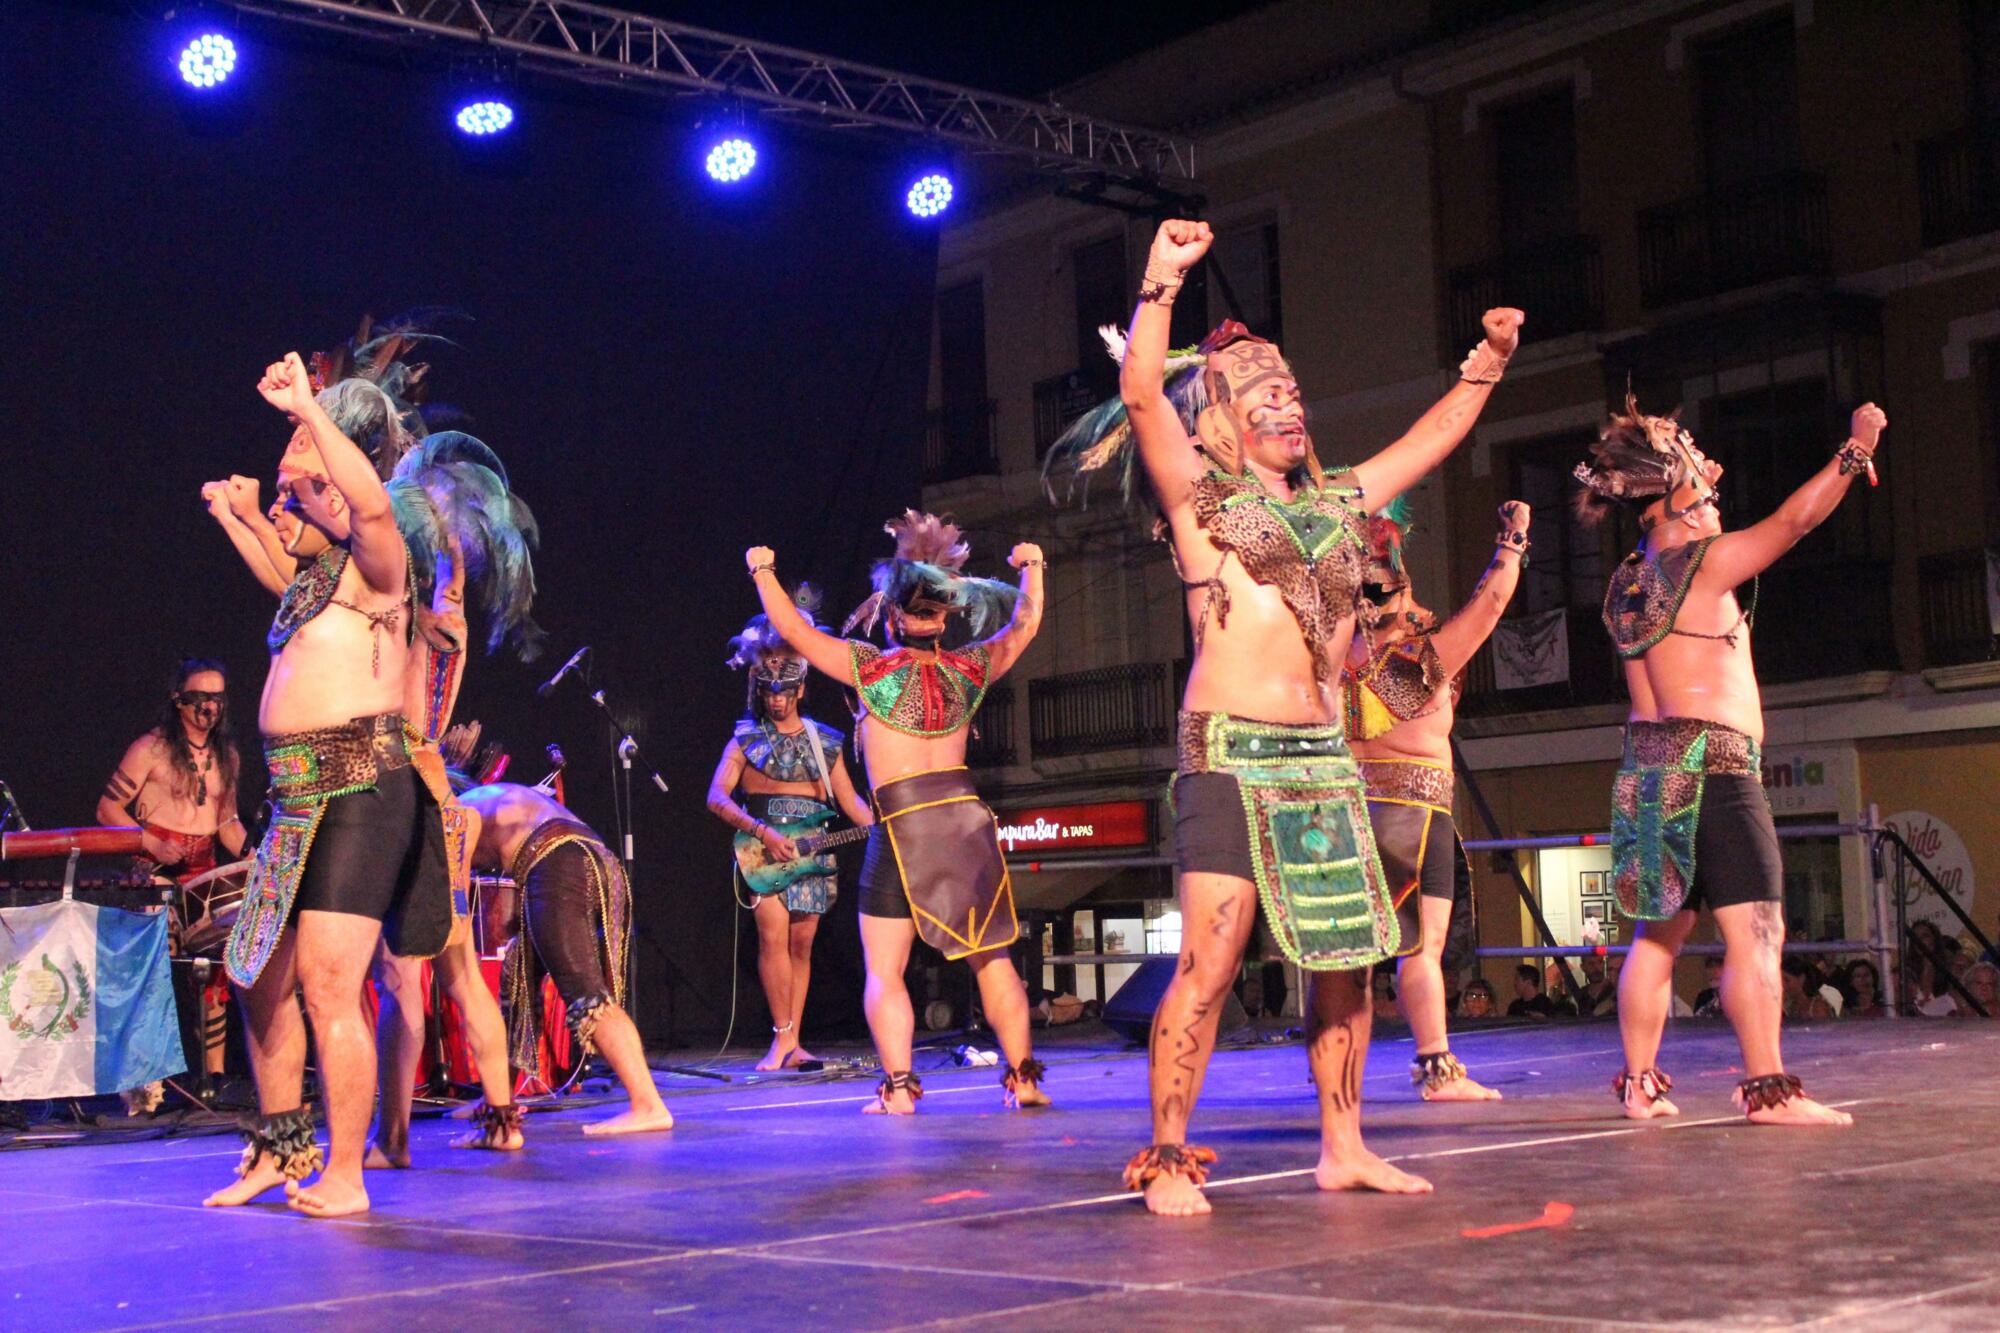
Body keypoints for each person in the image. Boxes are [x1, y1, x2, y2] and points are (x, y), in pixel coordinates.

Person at [1044, 216, 1521, 1213]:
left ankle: (1342, 1145)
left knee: (1347, 961)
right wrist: (1160, 280)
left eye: (1293, 391)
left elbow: (1427, 442)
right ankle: (1166, 1155)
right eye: (1264, 392)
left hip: (1323, 758)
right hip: (1229, 751)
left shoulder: (1341, 504)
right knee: (1212, 957)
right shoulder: (1201, 503)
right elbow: (1142, 392)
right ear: (1219, 416)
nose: (1288, 402)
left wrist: (1485, 364)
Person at [1576, 393, 1882, 1126]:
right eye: (1699, 475)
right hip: (1715, 767)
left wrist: (1690, 486)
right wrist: (1856, 450)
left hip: (1648, 770)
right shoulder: (1700, 563)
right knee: (1757, 931)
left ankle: (1639, 1083)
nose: (1713, 484)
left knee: (1658, 937)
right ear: (1673, 494)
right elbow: (1793, 522)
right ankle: (1769, 1087)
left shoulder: (1628, 581)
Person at [205, 351, 456, 1217]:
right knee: (259, 976)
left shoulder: (381, 562)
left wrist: (311, 411)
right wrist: (240, 516)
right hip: (294, 799)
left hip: (360, 790)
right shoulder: (317, 581)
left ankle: (345, 1173)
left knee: (326, 982)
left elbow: (370, 505)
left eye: (299, 482)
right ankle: (280, 1149)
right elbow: (276, 565)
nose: (286, 494)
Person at [746, 511, 1049, 1114]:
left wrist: (762, 571)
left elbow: (792, 629)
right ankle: (1024, 1080)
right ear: (945, 615)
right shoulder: (972, 668)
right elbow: (1025, 623)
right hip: (964, 824)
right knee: (992, 958)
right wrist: (1033, 566)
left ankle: (901, 1090)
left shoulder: (870, 668)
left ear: (891, 615)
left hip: (901, 828)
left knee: (885, 968)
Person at [1342, 496, 1529, 1100]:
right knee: (1421, 949)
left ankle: (1338, 1074)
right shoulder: (1412, 663)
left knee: (1355, 958)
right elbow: (1489, 605)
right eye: (1410, 596)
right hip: (1412, 815)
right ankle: (1437, 1067)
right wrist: (1512, 542)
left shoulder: (1340, 661)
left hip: (1358, 811)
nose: (1424, 610)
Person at [449, 775, 672, 1133]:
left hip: (557, 863)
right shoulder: (491, 797)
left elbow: (454, 892)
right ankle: (499, 1099)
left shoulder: (453, 813)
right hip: (593, 857)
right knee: (518, 980)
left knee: (587, 997)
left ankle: (648, 1104)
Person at [707, 590, 873, 1070]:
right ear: (760, 689)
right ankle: (780, 1037)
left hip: (814, 852)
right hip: (765, 852)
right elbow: (716, 796)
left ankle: (794, 1041)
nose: (777, 699)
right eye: (769, 691)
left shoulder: (825, 742)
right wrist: (762, 832)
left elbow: (851, 803)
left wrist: (888, 828)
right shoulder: (745, 739)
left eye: (785, 691)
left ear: (801, 689)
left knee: (802, 945)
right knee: (773, 938)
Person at [98, 657, 250, 1096]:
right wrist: (151, 843)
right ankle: (152, 1083)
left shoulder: (227, 756)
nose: (210, 707)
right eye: (201, 697)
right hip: (155, 868)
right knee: (157, 971)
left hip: (203, 871)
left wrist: (255, 856)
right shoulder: (151, 748)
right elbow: (107, 809)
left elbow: (227, 824)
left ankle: (214, 1078)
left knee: (214, 969)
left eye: (217, 697)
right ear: (179, 700)